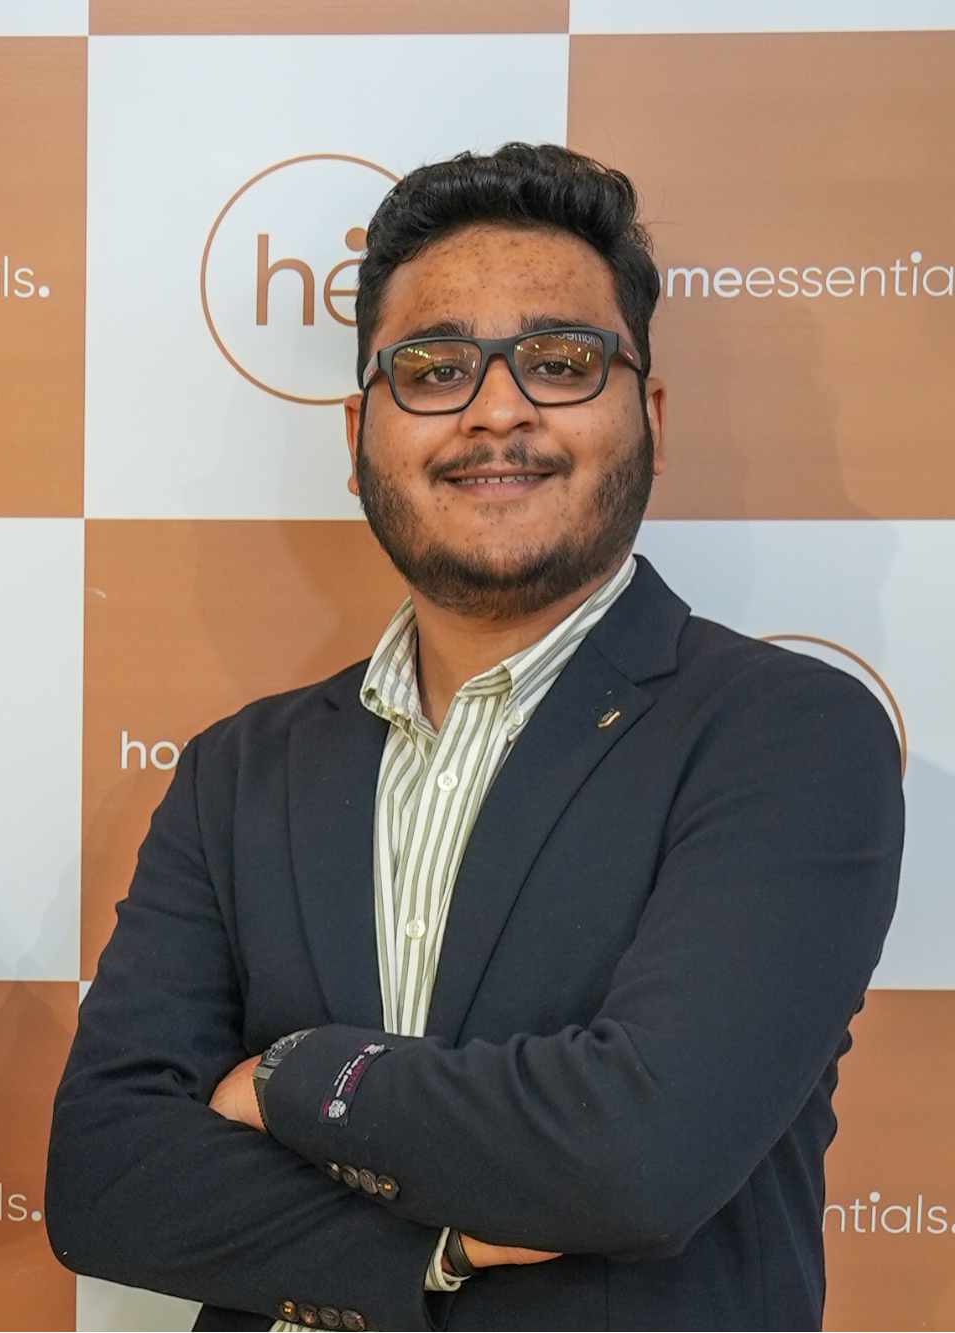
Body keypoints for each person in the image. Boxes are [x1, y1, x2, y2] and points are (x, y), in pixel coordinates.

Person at [46, 143, 902, 1331]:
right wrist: (434, 1249)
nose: (496, 410)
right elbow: (104, 1178)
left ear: (648, 416)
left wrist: (292, 1076)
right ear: (360, 435)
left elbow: (638, 1154)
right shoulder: (239, 770)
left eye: (557, 362)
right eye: (435, 369)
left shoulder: (785, 734)